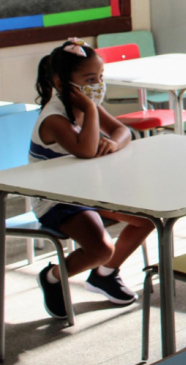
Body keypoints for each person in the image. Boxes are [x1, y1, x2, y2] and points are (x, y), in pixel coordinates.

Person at [30, 38, 154, 319]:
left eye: (100, 77)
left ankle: (105, 275)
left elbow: (123, 131)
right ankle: (52, 277)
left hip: (88, 191)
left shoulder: (90, 107)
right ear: (62, 83)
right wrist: (88, 109)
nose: (97, 84)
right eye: (89, 79)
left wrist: (114, 143)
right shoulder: (54, 118)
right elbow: (85, 151)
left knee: (147, 218)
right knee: (100, 248)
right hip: (55, 199)